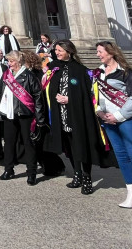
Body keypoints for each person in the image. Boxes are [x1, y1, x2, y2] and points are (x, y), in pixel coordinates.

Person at [42, 39, 115, 195]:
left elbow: (87, 95)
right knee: (70, 147)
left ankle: (87, 177)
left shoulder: (80, 70)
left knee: (81, 146)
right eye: (56, 50)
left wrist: (69, 99)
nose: (57, 53)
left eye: (60, 50)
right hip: (60, 115)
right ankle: (77, 174)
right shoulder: (54, 68)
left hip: (77, 115)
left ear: (69, 51)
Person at [93, 41, 132, 213]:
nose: (98, 55)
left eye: (100, 52)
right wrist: (101, 113)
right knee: (121, 157)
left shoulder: (126, 72)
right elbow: (95, 97)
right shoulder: (99, 74)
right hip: (108, 121)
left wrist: (117, 116)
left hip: (128, 120)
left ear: (110, 53)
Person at [0, 51, 46, 186]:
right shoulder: (6, 75)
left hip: (25, 114)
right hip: (9, 114)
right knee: (9, 143)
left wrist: (40, 118)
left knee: (29, 144)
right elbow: (0, 94)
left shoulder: (29, 76)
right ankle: (8, 169)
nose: (9, 64)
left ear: (18, 61)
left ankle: (31, 173)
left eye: (11, 61)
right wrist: (0, 112)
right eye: (8, 61)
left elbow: (37, 97)